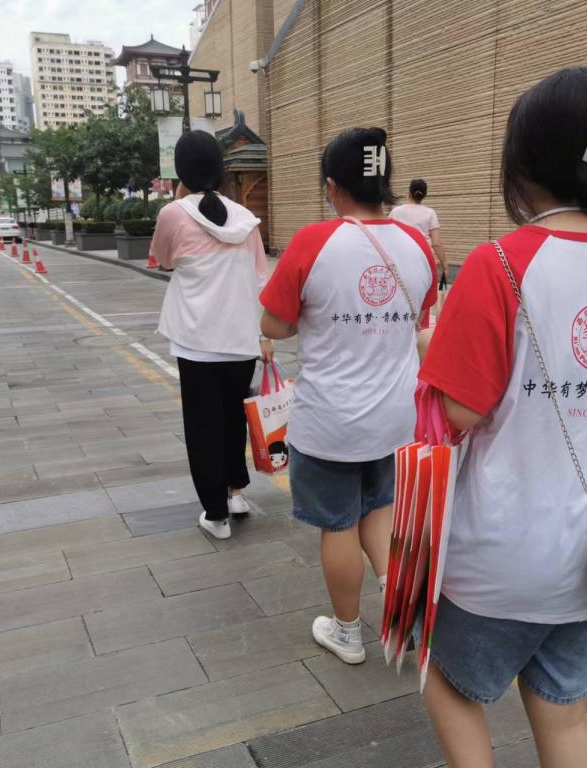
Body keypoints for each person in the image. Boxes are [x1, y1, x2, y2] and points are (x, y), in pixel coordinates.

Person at [417, 67, 587, 768]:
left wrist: (430, 351)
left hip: (501, 551)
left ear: (524, 163)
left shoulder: (499, 263)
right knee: (564, 715)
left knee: (449, 686)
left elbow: (461, 409)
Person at [261, 127, 437, 664]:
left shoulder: (314, 242)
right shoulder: (418, 245)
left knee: (337, 525)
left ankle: (346, 632)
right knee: (380, 511)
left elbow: (275, 324)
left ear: (332, 187)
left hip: (329, 420)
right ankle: (403, 617)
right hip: (395, 417)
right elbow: (421, 319)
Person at [152, 130, 273, 540]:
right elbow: (260, 280)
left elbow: (164, 260)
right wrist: (264, 337)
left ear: (181, 171)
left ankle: (216, 514)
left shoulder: (174, 214)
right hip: (241, 340)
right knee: (233, 419)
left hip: (197, 342)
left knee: (204, 427)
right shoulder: (246, 219)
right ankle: (236, 493)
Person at [391, 179, 447, 283]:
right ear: (424, 195)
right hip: (424, 259)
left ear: (409, 193)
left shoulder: (396, 212)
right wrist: (445, 266)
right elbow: (436, 243)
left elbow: (388, 236)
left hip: (402, 259)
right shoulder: (430, 213)